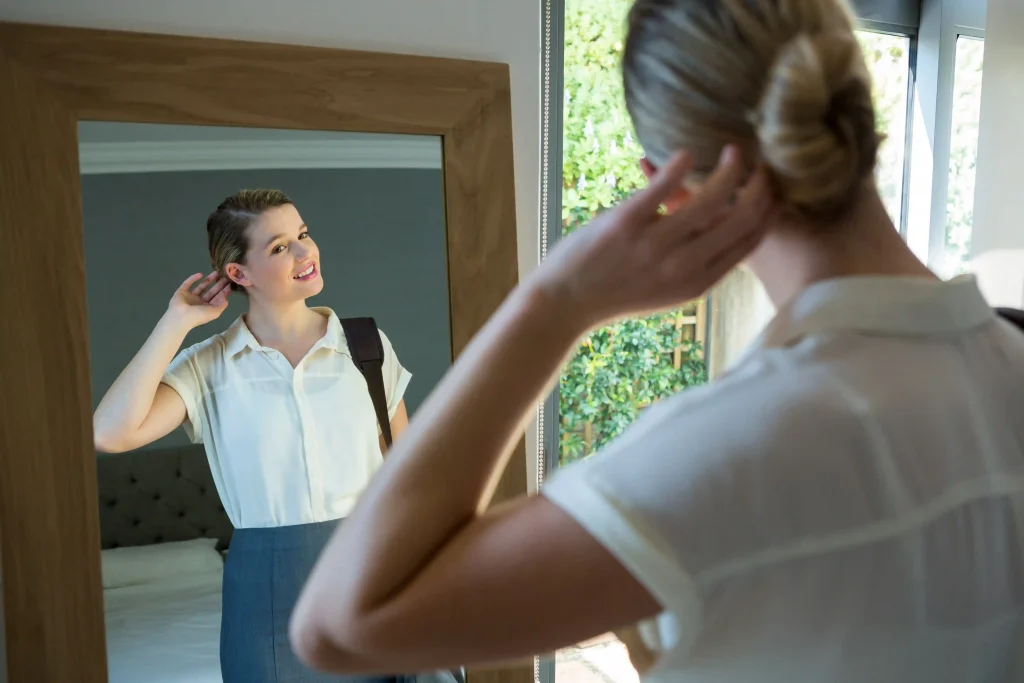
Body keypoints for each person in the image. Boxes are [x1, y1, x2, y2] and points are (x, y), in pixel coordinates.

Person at [288, 0, 1024, 681]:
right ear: (858, 115)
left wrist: (555, 301)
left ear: (669, 191)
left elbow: (338, 626)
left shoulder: (729, 449)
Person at [92, 189, 411, 683]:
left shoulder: (367, 345)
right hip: (264, 589)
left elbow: (408, 470)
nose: (306, 253)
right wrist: (177, 321)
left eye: (303, 234)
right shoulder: (208, 365)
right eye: (281, 247)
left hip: (372, 571)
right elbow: (110, 434)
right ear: (238, 274)